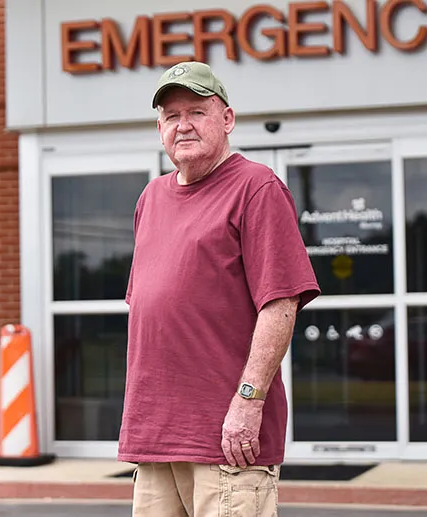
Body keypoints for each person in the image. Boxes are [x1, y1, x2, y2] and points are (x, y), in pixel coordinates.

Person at [119, 61, 320, 517]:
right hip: (156, 438)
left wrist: (248, 403)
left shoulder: (256, 187)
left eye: (196, 112)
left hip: (229, 441)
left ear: (226, 119)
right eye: (171, 116)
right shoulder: (151, 199)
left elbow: (281, 304)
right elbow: (153, 311)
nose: (183, 125)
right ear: (159, 128)